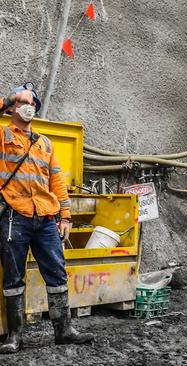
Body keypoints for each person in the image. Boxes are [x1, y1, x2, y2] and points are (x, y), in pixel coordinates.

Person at [0, 83, 94, 354]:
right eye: (23, 102)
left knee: (56, 272)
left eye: (32, 103)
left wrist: (65, 217)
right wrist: (11, 97)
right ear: (13, 108)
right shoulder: (3, 134)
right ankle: (15, 336)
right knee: (13, 277)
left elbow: (57, 181)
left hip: (45, 219)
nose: (28, 107)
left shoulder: (45, 143)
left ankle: (64, 330)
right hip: (13, 217)